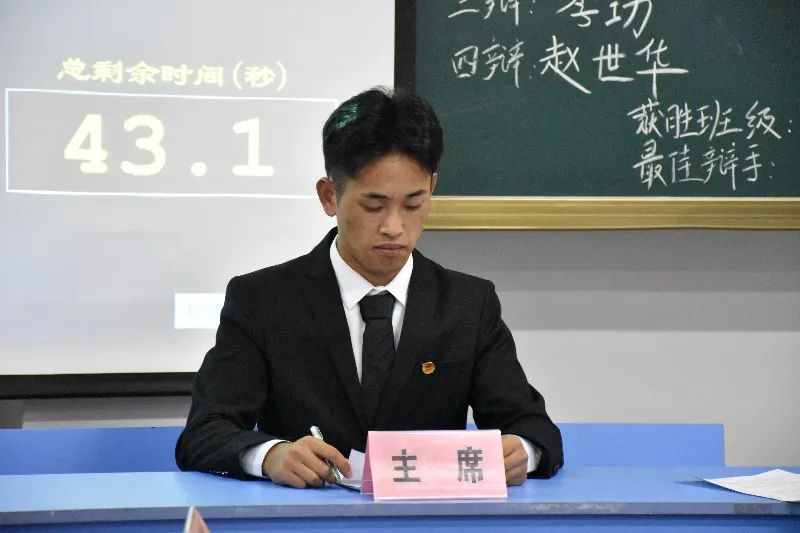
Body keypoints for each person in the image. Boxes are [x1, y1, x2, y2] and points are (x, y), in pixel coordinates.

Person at [176, 87, 563, 488]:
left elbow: (534, 428)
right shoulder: (263, 301)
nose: (394, 227)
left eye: (413, 204)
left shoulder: (468, 304)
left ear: (432, 187)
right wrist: (269, 455)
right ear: (329, 196)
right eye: (373, 206)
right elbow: (203, 434)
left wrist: (523, 450)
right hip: (309, 513)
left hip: (428, 515)